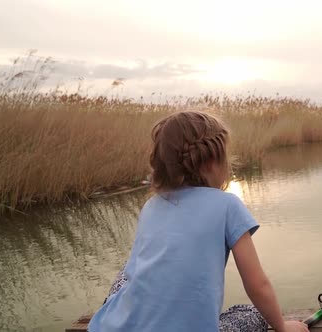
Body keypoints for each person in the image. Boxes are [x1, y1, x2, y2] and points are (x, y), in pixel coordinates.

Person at [88, 111, 309, 332]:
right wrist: (282, 327)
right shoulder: (228, 205)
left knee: (125, 275)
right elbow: (257, 285)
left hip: (111, 327)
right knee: (252, 313)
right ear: (212, 162)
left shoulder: (151, 206)